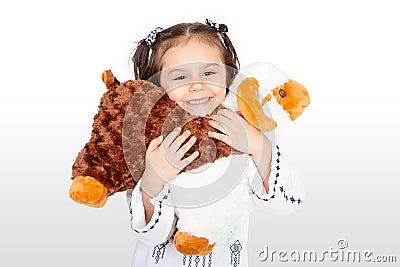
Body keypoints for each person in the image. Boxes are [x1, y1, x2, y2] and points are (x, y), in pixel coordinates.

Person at [126, 20, 305, 267]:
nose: (197, 85)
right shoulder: (152, 144)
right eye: (180, 77)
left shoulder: (239, 132)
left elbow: (288, 202)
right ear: (156, 88)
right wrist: (154, 178)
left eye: (209, 73)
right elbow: (153, 236)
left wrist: (255, 144)